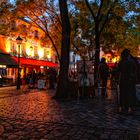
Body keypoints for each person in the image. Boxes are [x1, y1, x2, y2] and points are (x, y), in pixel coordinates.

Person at [118, 49, 137, 114]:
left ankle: (120, 108)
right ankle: (129, 109)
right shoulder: (131, 62)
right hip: (129, 79)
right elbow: (135, 70)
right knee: (129, 94)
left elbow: (118, 71)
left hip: (122, 79)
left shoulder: (120, 62)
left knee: (122, 93)